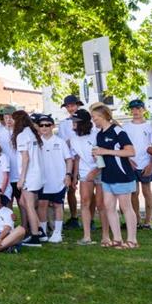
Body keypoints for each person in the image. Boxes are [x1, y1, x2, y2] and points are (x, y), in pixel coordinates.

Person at [91, 104, 139, 249]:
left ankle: (132, 240)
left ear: (103, 116)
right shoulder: (99, 134)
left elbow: (131, 152)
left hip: (122, 175)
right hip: (107, 176)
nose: (93, 120)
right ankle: (117, 239)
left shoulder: (118, 131)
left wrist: (106, 151)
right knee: (109, 207)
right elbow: (103, 155)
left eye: (95, 117)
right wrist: (97, 156)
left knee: (126, 207)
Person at [68, 109, 108, 245]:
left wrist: (95, 171)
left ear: (83, 123)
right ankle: (87, 236)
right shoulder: (73, 139)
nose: (72, 124)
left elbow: (104, 157)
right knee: (85, 202)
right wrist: (74, 177)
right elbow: (77, 159)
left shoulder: (97, 135)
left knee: (101, 204)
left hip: (101, 171)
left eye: (75, 122)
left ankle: (106, 236)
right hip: (85, 174)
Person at [36, 114, 72, 244]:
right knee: (42, 205)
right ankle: (43, 232)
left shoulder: (60, 141)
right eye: (41, 125)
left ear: (53, 126)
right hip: (42, 181)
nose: (44, 127)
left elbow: (69, 159)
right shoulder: (36, 142)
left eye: (47, 125)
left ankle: (57, 232)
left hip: (58, 180)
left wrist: (68, 175)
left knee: (58, 205)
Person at [12, 110, 46, 247]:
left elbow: (25, 158)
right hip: (37, 174)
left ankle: (35, 236)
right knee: (22, 202)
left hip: (30, 175)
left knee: (30, 206)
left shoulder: (21, 136)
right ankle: (40, 231)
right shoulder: (32, 133)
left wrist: (21, 179)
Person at [122, 99, 152, 230]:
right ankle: (136, 219)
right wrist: (128, 160)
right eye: (133, 109)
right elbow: (122, 146)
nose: (135, 111)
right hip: (132, 163)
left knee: (147, 192)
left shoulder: (150, 126)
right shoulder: (126, 126)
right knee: (133, 193)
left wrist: (151, 164)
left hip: (145, 163)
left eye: (138, 108)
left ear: (144, 109)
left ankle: (148, 221)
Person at [59, 95, 83, 229]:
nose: (70, 108)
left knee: (79, 188)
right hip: (68, 158)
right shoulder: (63, 124)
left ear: (77, 105)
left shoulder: (84, 119)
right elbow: (63, 142)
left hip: (82, 158)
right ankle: (71, 217)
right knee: (68, 189)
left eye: (72, 105)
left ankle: (80, 216)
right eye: (68, 106)